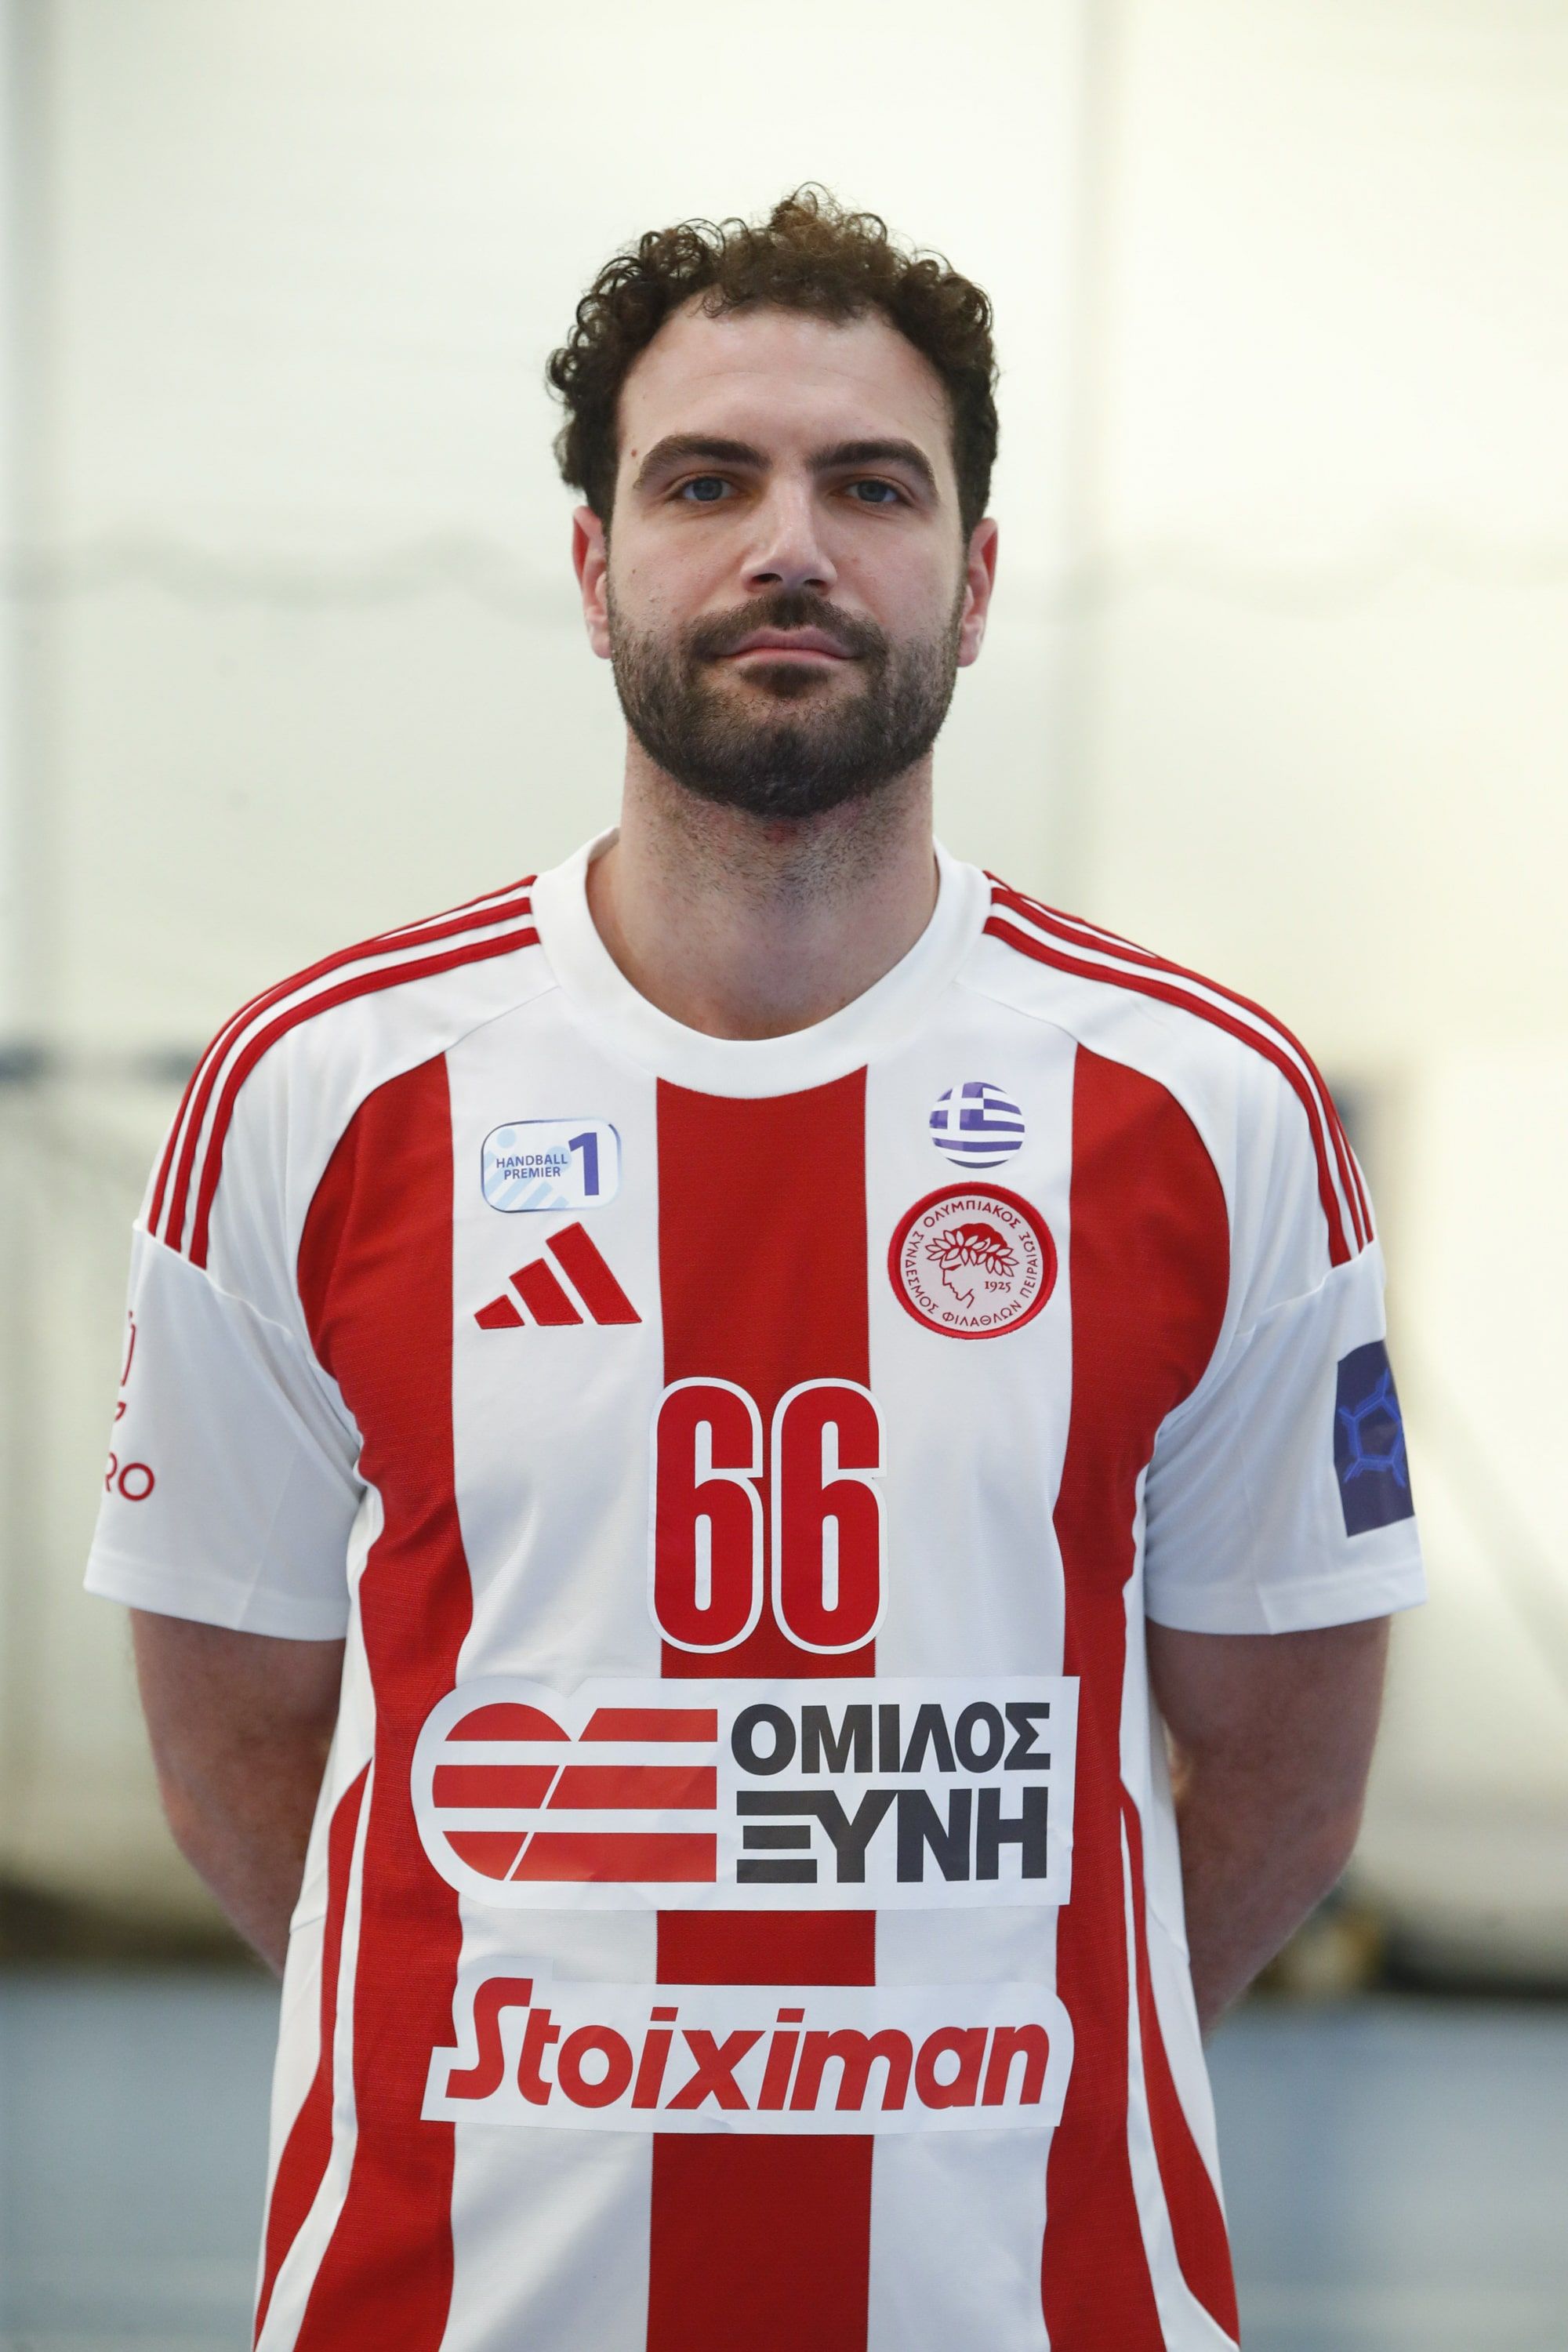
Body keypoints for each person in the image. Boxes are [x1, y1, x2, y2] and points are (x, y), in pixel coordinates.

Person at [85, 187, 1425, 2352]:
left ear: (974, 582)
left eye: (870, 488)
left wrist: (975, 2058)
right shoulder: (318, 1091)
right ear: (593, 567)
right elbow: (233, 1740)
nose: (788, 546)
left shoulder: (1212, 1106)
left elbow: (1286, 1779)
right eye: (705, 482)